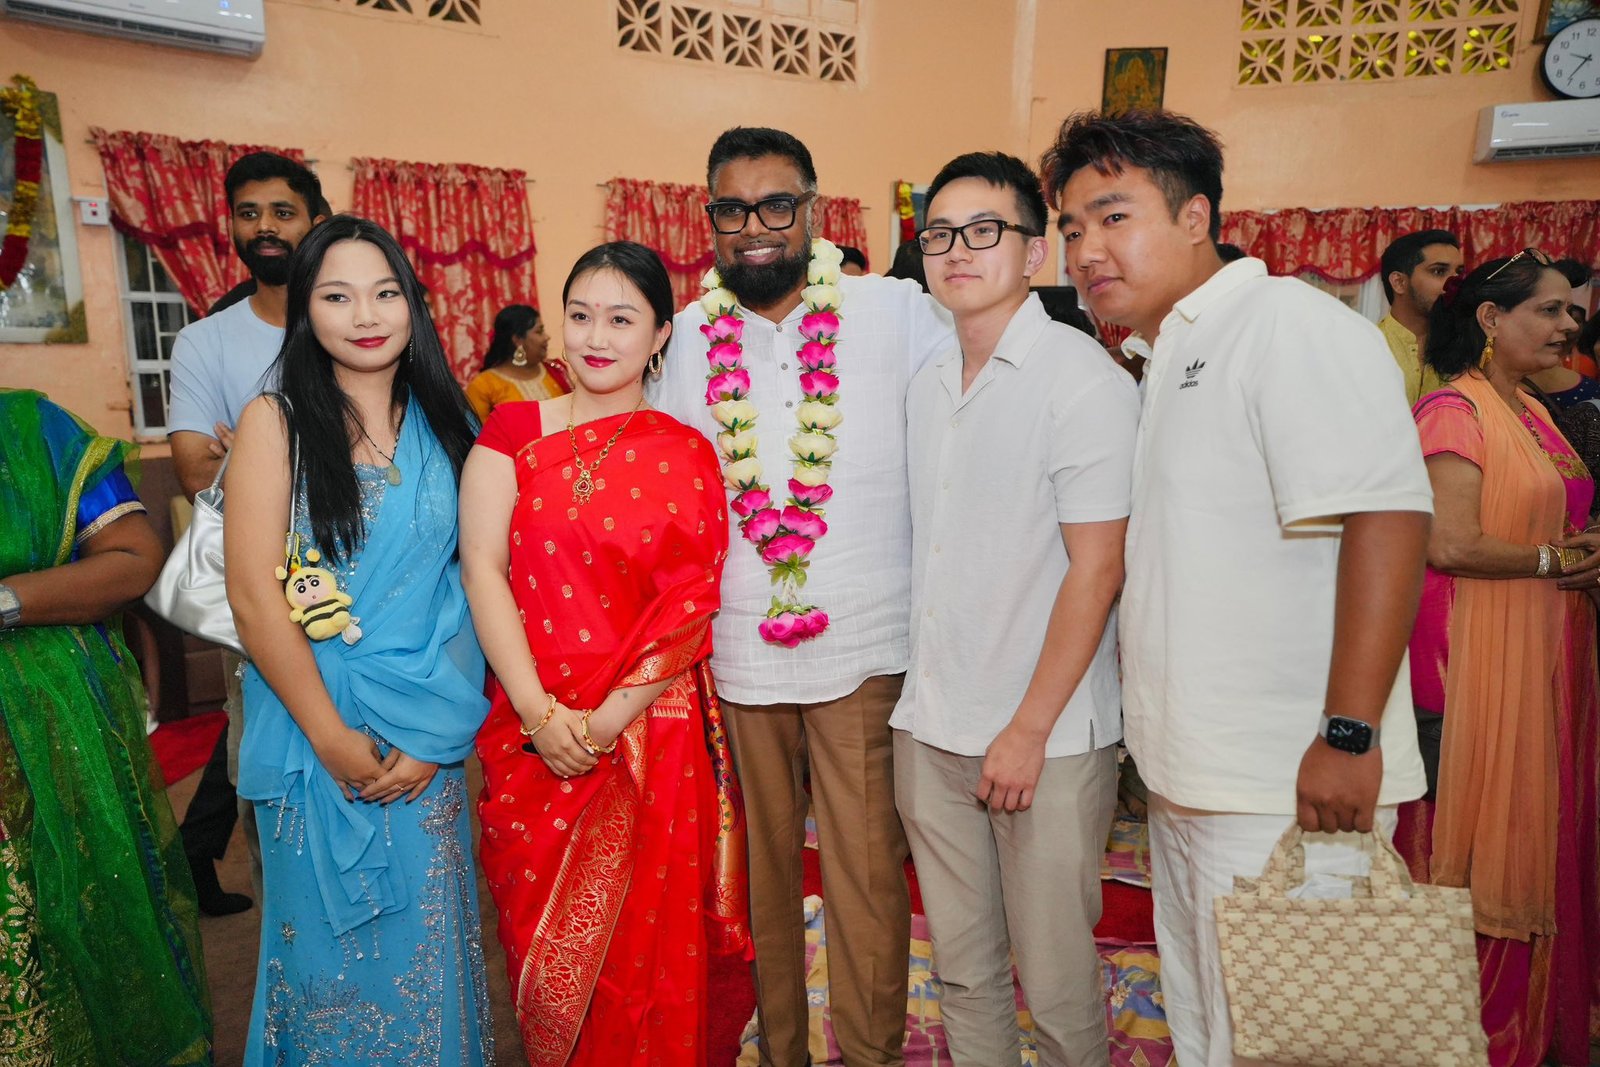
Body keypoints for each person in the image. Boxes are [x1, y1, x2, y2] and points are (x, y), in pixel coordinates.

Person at [1042, 109, 1433, 1067]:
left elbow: (1387, 517)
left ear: (1194, 215)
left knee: (1302, 1039)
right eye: (1072, 228)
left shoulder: (1287, 324)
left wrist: (1349, 733)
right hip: (1192, 781)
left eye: (1113, 216)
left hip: (1289, 782)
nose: (1088, 249)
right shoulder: (1166, 346)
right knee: (1217, 1029)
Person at [650, 126, 952, 1067]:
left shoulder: (895, 310)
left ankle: (867, 1053)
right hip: (737, 651)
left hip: (863, 642)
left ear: (815, 209)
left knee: (866, 873)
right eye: (731, 210)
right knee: (762, 878)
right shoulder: (688, 338)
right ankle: (781, 1049)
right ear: (710, 219)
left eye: (776, 205)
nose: (754, 229)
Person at [463, 241, 746, 1065]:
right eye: (580, 314)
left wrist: (604, 721)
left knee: (650, 958)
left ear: (660, 334)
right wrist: (538, 714)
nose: (596, 336)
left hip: (649, 734)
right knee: (545, 954)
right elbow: (482, 566)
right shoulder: (512, 430)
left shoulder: (686, 451)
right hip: (529, 728)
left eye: (622, 318)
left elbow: (691, 602)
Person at [224, 216, 494, 1064]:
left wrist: (430, 734)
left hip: (427, 738)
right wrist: (332, 737)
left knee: (430, 958)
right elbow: (253, 597)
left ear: (413, 302)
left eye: (385, 292)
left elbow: (471, 583)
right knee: (323, 970)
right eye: (337, 295)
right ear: (306, 310)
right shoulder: (275, 420)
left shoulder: (452, 424)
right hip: (313, 736)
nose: (365, 313)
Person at [891, 152, 1138, 1066]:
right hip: (931, 724)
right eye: (941, 234)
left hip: (1046, 737)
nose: (959, 250)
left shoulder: (1081, 381)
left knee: (1058, 978)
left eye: (985, 230)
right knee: (962, 970)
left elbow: (1096, 567)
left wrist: (1027, 730)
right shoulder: (926, 382)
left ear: (1035, 251)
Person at [1398, 250, 1599, 1067]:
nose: (1567, 325)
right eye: (1548, 311)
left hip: (1546, 648)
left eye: (1570, 312)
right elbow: (1449, 542)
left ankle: (1539, 1014)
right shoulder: (1455, 410)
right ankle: (1475, 1033)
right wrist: (1556, 563)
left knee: (1543, 828)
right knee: (1475, 853)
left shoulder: (1531, 411)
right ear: (1489, 318)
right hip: (1474, 660)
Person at [0, 389, 212, 1065]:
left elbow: (132, 557)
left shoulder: (35, 429)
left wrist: (6, 599)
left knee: (72, 924)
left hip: (50, 727)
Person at [169, 150, 329, 916]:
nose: (264, 227)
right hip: (263, 594)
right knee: (274, 779)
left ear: (317, 222)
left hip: (376, 582)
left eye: (283, 212)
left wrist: (254, 453)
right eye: (249, 213)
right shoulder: (207, 342)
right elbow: (196, 472)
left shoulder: (355, 321)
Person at [1378, 230, 1464, 404]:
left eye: (1459, 273)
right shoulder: (1370, 347)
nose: (1454, 283)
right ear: (1399, 282)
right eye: (1439, 271)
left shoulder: (1467, 348)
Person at [464, 304, 567, 421]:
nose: (547, 337)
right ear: (518, 339)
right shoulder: (483, 385)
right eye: (539, 331)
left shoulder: (556, 370)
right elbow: (479, 435)